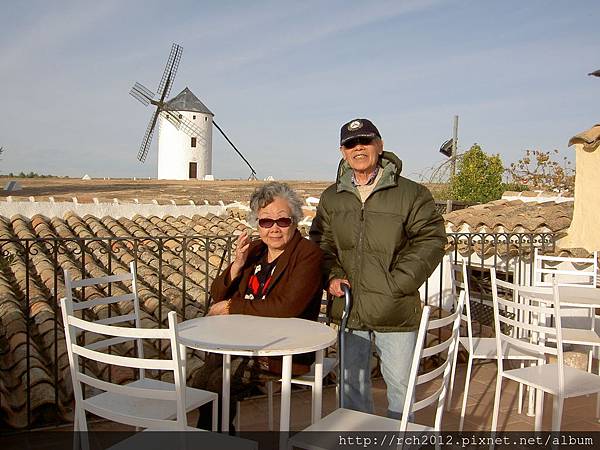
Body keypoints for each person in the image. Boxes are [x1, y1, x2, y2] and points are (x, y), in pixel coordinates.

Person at [309, 118, 446, 419]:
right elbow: (321, 242)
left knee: (400, 391)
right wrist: (331, 276)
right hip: (349, 307)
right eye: (350, 144)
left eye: (365, 141)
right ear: (342, 151)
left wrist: (396, 284)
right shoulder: (332, 197)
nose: (358, 148)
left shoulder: (412, 194)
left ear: (380, 145)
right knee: (352, 390)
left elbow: (432, 239)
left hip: (393, 308)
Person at [196, 181, 324, 431]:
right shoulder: (255, 250)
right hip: (242, 345)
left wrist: (232, 306)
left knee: (219, 384)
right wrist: (236, 266)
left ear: (295, 221)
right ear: (257, 224)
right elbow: (217, 294)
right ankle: (215, 437)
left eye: (282, 221)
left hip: (282, 351)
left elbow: (287, 306)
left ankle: (214, 440)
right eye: (266, 222)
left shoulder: (308, 255)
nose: (274, 229)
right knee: (201, 380)